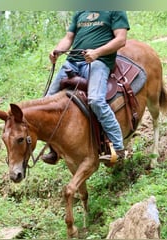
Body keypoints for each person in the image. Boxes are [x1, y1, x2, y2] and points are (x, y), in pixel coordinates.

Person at [42, 11, 130, 164]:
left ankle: (118, 147)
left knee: (96, 100)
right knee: (46, 103)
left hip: (99, 62)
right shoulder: (80, 11)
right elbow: (69, 37)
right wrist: (57, 51)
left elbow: (121, 39)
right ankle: (54, 149)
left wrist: (97, 52)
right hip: (72, 62)